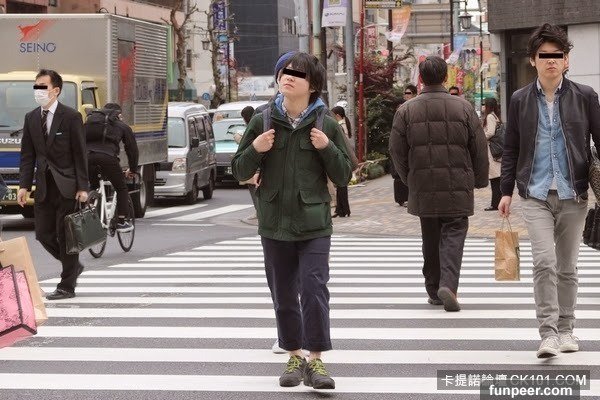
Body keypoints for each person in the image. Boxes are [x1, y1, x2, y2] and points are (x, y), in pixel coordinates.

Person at [232, 52, 351, 390]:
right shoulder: (263, 120)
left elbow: (344, 174)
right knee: (283, 294)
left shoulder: (326, 124)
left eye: (298, 74)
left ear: (312, 85)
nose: (289, 77)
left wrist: (327, 147)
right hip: (274, 223)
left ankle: (316, 360)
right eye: (285, 72)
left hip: (314, 223)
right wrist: (256, 148)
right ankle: (294, 356)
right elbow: (239, 169)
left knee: (314, 290)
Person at [498, 23, 600, 358]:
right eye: (545, 55)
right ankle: (549, 333)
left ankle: (567, 329)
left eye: (558, 55)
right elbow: (511, 148)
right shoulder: (520, 99)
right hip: (535, 194)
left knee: (567, 267)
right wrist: (505, 191)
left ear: (566, 60)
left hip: (574, 194)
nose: (551, 60)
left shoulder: (585, 96)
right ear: (533, 60)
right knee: (544, 261)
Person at [389, 56, 489, 312]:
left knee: (430, 237)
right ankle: (448, 285)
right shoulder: (464, 107)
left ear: (421, 79)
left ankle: (434, 289)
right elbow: (479, 147)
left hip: (422, 185)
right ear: (446, 77)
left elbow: (397, 151)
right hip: (457, 184)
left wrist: (408, 178)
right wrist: (479, 179)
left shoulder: (406, 110)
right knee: (454, 234)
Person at [17, 69, 89, 300]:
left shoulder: (71, 117)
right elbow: (27, 155)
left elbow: (80, 153)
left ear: (55, 90)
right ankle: (73, 267)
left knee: (66, 235)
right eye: (36, 86)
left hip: (67, 185)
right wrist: (24, 186)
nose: (38, 91)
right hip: (44, 186)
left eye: (42, 86)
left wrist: (83, 187)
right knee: (43, 234)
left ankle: (67, 285)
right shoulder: (31, 117)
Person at [86, 103, 139, 232]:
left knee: (93, 185)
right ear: (118, 114)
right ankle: (121, 221)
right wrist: (132, 169)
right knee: (121, 187)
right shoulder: (122, 126)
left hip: (86, 157)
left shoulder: (90, 123)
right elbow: (132, 150)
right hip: (108, 158)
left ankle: (88, 209)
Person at [331, 105, 353, 217]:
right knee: (341, 183)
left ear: (337, 115)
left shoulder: (339, 125)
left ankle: (343, 209)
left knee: (341, 183)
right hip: (345, 155)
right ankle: (342, 209)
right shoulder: (345, 124)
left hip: (341, 155)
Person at [482, 97, 502, 211]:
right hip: (496, 150)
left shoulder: (490, 116)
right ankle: (498, 202)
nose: (483, 107)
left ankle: (495, 204)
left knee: (495, 178)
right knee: (497, 178)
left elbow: (490, 132)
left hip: (492, 151)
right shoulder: (496, 116)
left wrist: (480, 137)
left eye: (484, 105)